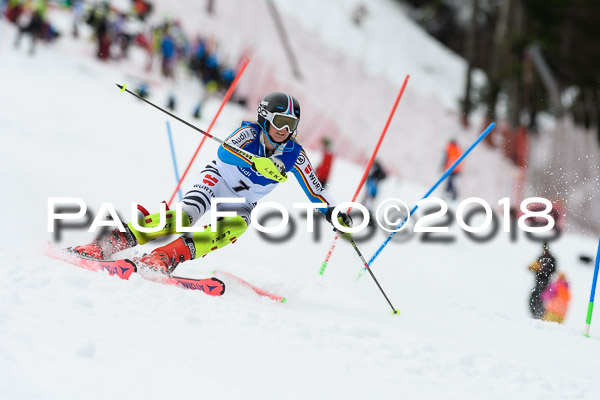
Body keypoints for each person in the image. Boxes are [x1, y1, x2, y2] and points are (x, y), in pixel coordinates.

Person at [71, 92, 353, 274]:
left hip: (242, 201)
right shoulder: (248, 132)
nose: (283, 130)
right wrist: (256, 162)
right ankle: (111, 242)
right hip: (216, 180)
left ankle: (164, 257)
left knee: (236, 227)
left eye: (291, 124)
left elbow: (316, 190)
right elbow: (224, 152)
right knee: (184, 216)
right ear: (265, 118)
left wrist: (333, 212)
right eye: (279, 121)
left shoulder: (295, 155)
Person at [528, 242, 557, 319]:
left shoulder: (551, 258)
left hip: (545, 282)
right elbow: (536, 267)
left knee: (541, 298)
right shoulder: (541, 257)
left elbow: (553, 271)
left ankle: (540, 314)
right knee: (534, 298)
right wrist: (534, 268)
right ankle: (535, 313)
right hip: (538, 281)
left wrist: (543, 270)